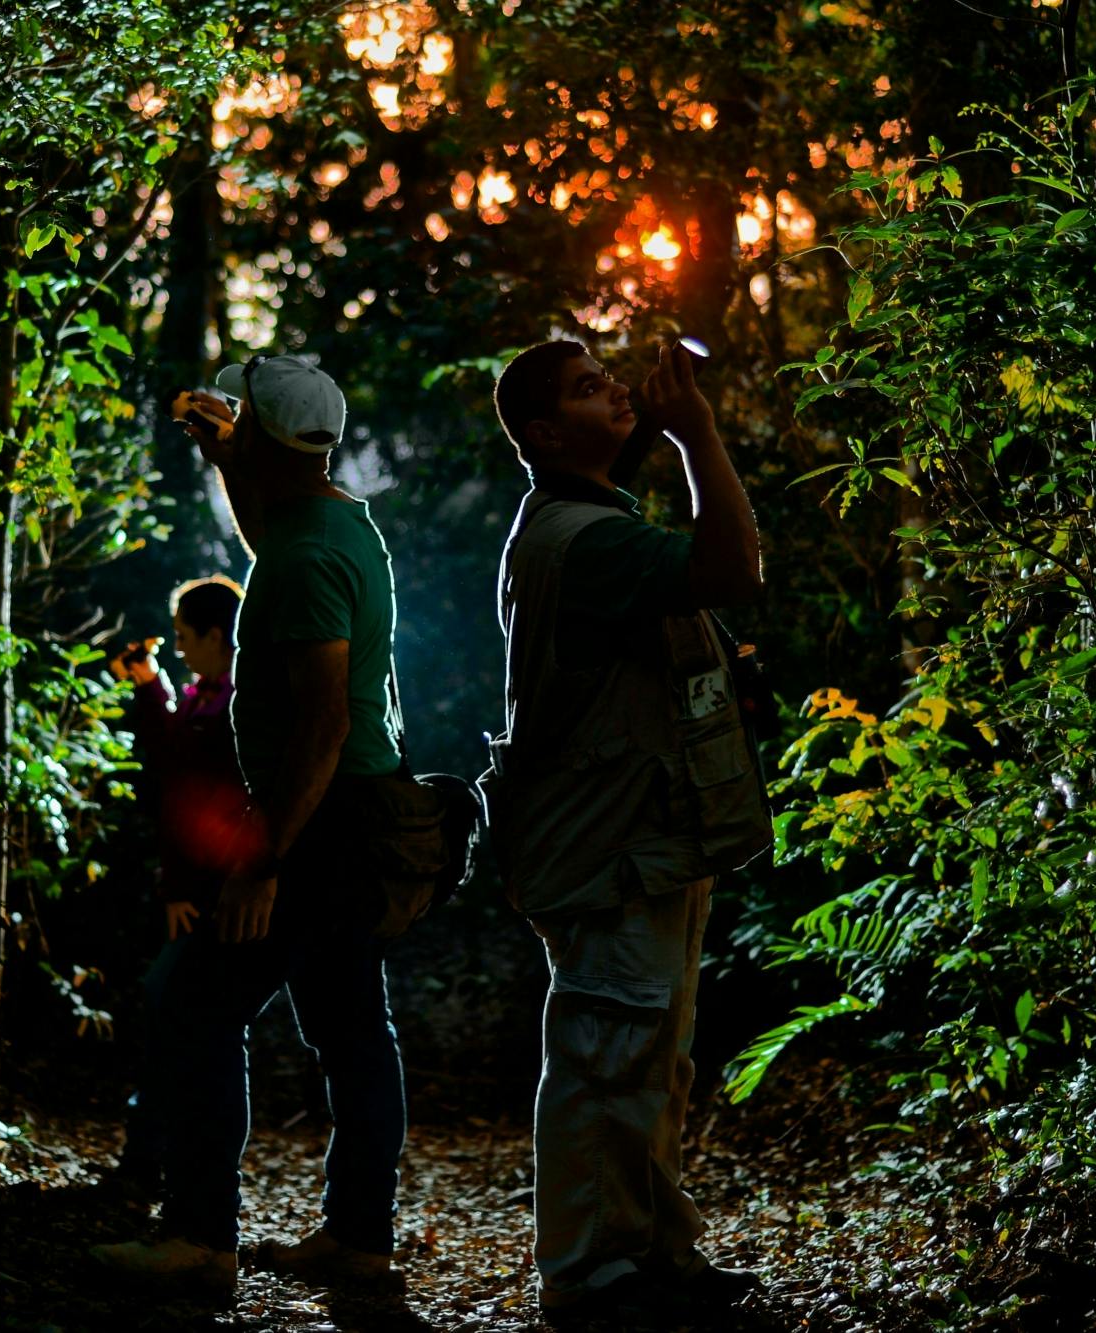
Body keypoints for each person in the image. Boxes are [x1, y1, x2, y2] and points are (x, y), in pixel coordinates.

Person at [90, 354, 408, 1292]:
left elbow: (323, 722)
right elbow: (273, 529)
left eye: (247, 425)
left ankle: (199, 1236)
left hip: (314, 818)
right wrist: (230, 460)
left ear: (275, 438)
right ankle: (358, 1237)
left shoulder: (308, 558)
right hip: (350, 811)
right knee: (355, 1031)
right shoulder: (337, 521)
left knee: (189, 1000)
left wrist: (264, 860)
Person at [483, 339, 773, 1327]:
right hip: (608, 845)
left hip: (636, 834)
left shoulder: (579, 518)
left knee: (650, 1057)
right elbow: (733, 565)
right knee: (608, 1052)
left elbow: (627, 456)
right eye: (585, 386)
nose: (612, 388)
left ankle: (649, 1251)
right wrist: (693, 430)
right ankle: (586, 1272)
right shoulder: (591, 540)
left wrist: (658, 413)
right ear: (543, 433)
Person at [107, 575, 247, 1194]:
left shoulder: (236, 706)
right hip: (197, 888)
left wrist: (183, 891)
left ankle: (160, 1167)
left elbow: (192, 792)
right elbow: (172, 761)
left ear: (216, 635)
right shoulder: (204, 697)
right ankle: (152, 1161)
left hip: (216, 892)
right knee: (175, 1014)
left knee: (181, 1012)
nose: (179, 648)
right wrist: (150, 687)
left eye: (184, 637)